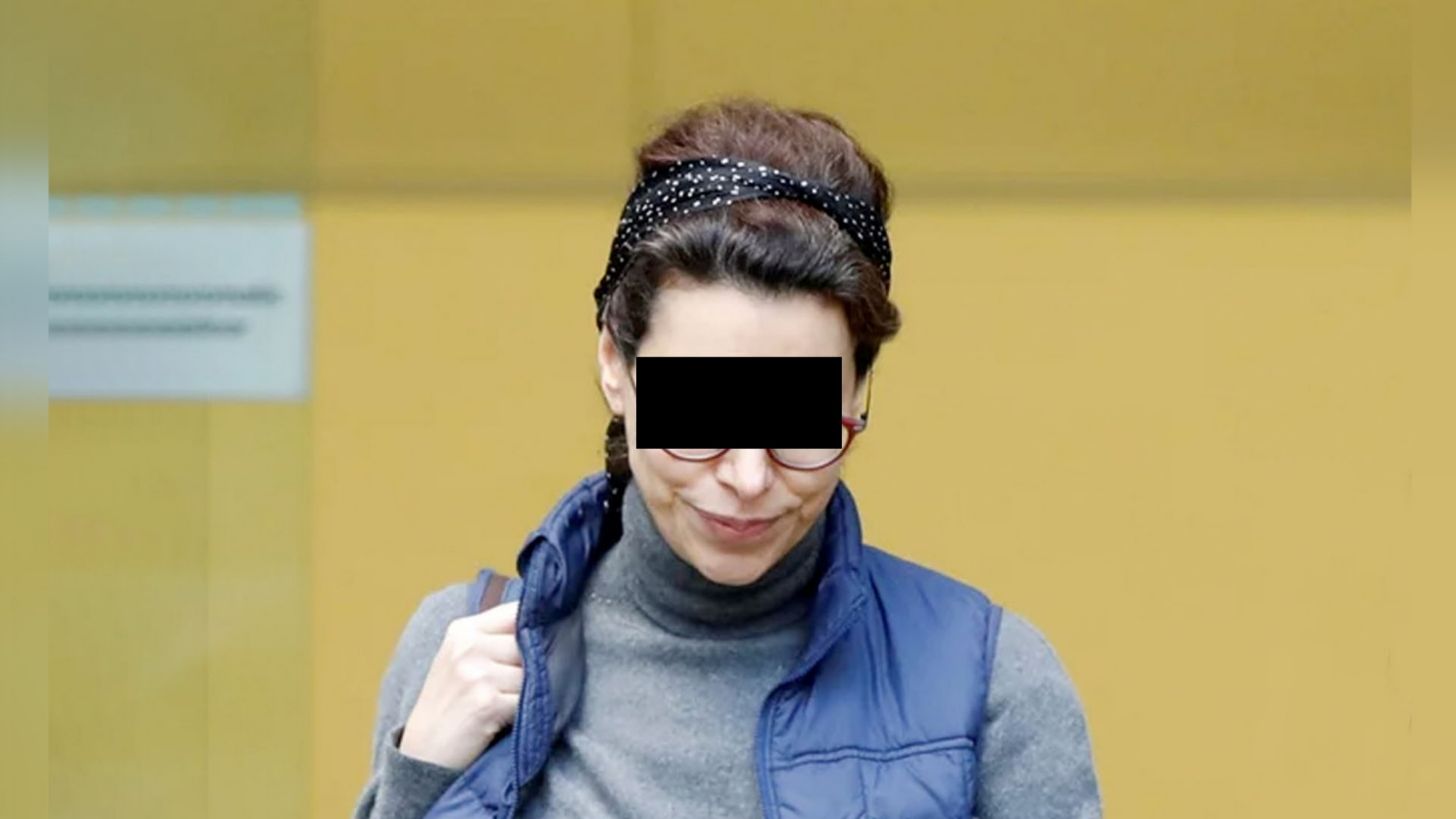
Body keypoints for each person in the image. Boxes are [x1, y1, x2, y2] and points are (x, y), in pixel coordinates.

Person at [353, 98, 1101, 819]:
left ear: (859, 389)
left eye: (798, 418)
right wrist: (419, 781)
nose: (747, 477)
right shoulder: (466, 654)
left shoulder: (988, 683)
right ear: (615, 365)